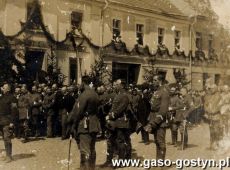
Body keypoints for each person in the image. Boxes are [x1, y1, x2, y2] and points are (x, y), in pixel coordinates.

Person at [68, 76, 101, 170]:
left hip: (85, 125)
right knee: (92, 148)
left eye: (79, 84)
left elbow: (78, 112)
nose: (79, 86)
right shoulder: (95, 94)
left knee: (85, 149)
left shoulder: (84, 95)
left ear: (83, 83)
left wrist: (73, 125)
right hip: (94, 124)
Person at [100, 79, 131, 168]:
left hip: (120, 123)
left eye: (116, 84)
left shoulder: (124, 96)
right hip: (113, 123)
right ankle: (109, 161)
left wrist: (109, 116)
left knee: (119, 142)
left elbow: (119, 110)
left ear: (121, 85)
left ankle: (121, 162)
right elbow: (113, 108)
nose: (114, 86)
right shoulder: (117, 95)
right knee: (110, 142)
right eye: (114, 85)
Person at [144, 75, 170, 161]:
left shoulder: (164, 92)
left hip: (160, 121)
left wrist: (154, 122)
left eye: (155, 80)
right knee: (156, 141)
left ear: (160, 81)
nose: (153, 82)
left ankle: (161, 163)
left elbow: (163, 110)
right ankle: (158, 161)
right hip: (153, 119)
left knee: (160, 142)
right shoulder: (156, 92)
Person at [0, 83, 17, 162]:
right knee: (4, 138)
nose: (1, 88)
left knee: (7, 138)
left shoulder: (12, 98)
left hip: (7, 120)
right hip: (1, 121)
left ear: (8, 89)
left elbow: (14, 110)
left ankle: (9, 156)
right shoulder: (1, 97)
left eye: (3, 87)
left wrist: (12, 122)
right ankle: (7, 155)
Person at [204, 84, 222, 150]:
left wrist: (214, 111)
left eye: (212, 88)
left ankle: (217, 145)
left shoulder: (219, 96)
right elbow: (205, 104)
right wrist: (206, 110)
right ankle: (211, 145)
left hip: (216, 116)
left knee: (216, 131)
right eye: (210, 88)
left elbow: (220, 106)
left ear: (216, 88)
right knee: (211, 131)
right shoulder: (209, 96)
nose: (210, 90)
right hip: (210, 116)